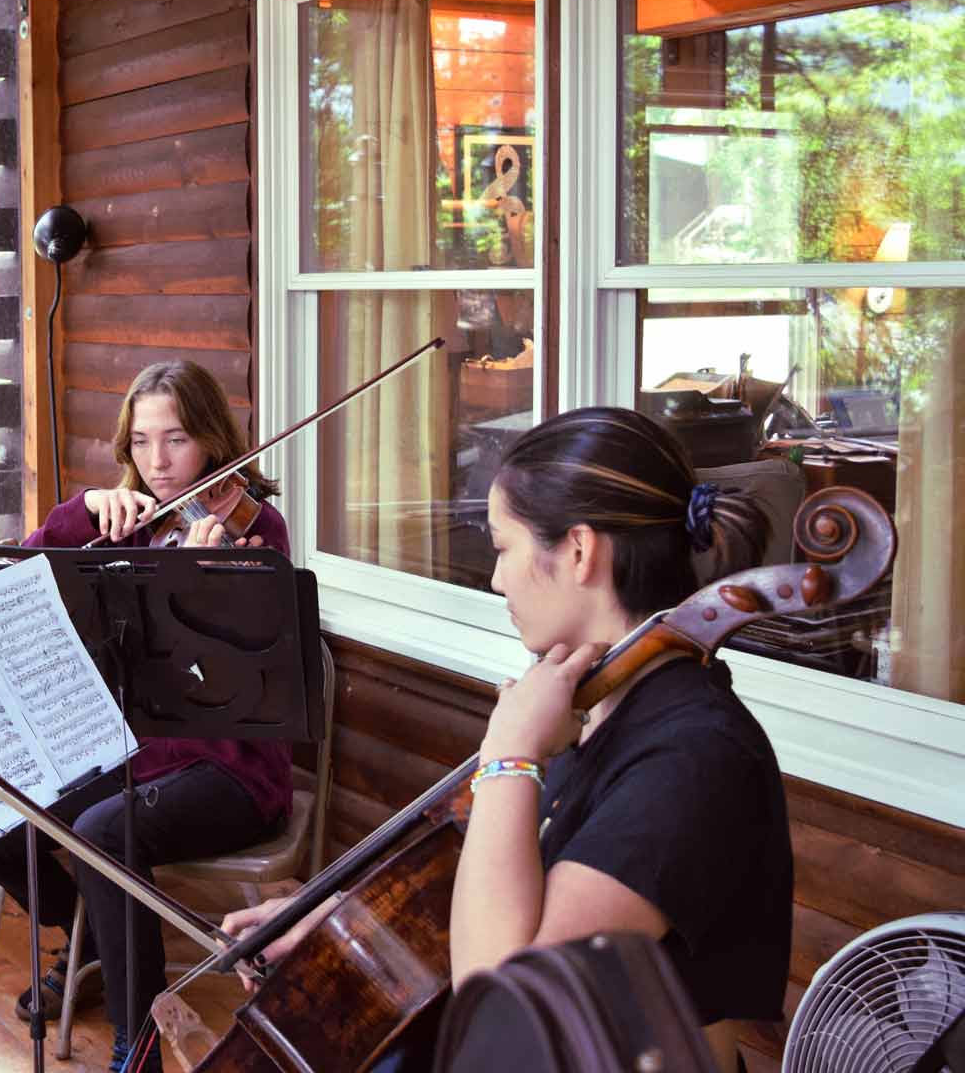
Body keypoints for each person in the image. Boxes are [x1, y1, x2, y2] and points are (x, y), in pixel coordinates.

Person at [222, 407, 790, 1073]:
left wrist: (510, 760)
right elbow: (502, 891)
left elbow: (506, 1004)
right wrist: (351, 929)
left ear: (579, 551)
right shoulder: (590, 706)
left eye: (502, 546)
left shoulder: (695, 755)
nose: (495, 579)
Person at [0, 360, 292, 1073]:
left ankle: (136, 1043)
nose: (158, 463)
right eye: (142, 443)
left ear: (210, 440)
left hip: (228, 768)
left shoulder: (252, 529)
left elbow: (250, 660)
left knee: (104, 830)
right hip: (133, 754)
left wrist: (209, 588)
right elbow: (21, 571)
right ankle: (84, 935)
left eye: (176, 440)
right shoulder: (127, 517)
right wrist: (82, 509)